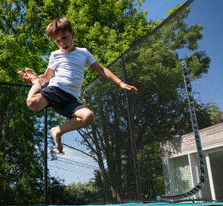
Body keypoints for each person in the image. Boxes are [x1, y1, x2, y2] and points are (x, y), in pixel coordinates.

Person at [18, 17, 137, 153]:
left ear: (72, 35)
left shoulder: (83, 53)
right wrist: (37, 79)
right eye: (58, 41)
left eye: (64, 38)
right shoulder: (55, 55)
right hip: (55, 90)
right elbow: (47, 77)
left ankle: (58, 130)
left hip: (70, 99)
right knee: (32, 103)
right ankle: (35, 83)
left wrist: (120, 83)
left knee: (88, 116)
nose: (62, 43)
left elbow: (102, 69)